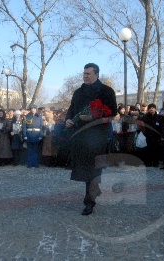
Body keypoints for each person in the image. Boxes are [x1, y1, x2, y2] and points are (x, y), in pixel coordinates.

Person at [65, 63, 117, 215]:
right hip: (81, 137)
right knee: (86, 170)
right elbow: (71, 109)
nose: (85, 76)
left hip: (97, 137)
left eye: (88, 74)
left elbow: (112, 112)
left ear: (97, 74)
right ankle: (94, 191)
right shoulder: (78, 92)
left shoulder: (106, 91)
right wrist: (68, 119)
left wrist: (94, 116)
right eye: (84, 74)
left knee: (93, 169)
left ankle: (89, 201)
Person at [22, 104, 43, 168]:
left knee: (36, 150)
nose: (33, 110)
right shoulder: (27, 116)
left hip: (36, 134)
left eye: (34, 108)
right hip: (29, 134)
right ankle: (29, 163)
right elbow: (24, 127)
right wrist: (25, 135)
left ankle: (35, 163)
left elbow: (41, 127)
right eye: (32, 108)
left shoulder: (39, 117)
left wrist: (40, 135)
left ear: (36, 109)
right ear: (30, 109)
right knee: (30, 150)